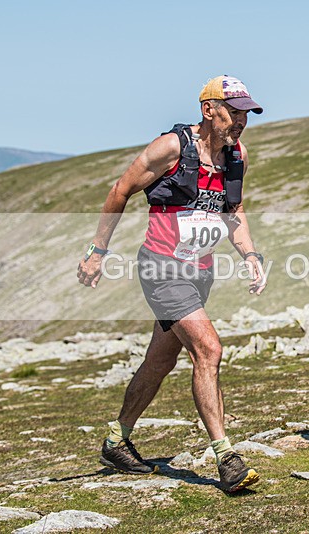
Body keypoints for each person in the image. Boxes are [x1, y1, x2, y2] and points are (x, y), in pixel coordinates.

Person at [77, 75, 267, 493]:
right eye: (233, 112)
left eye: (246, 114)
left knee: (160, 360)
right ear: (208, 110)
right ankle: (226, 458)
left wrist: (250, 255)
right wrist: (97, 251)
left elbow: (233, 210)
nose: (240, 121)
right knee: (209, 349)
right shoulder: (171, 148)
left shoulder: (237, 156)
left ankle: (116, 440)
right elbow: (120, 190)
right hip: (162, 269)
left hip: (200, 272)